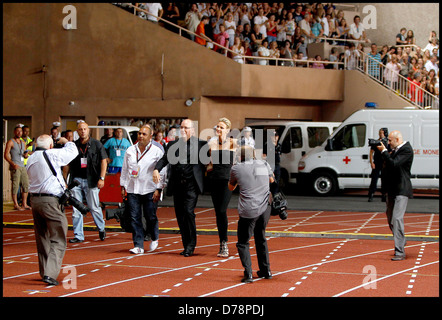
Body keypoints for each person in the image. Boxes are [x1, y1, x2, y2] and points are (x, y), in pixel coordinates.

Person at [153, 119, 210, 257]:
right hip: (177, 185)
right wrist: (156, 169)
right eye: (182, 127)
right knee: (180, 216)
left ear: (193, 130)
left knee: (188, 212)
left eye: (186, 127)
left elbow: (211, 159)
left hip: (192, 185)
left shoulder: (202, 145)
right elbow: (164, 159)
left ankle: (191, 245)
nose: (183, 130)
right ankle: (186, 244)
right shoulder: (173, 144)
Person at [26, 134, 78, 286]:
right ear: (50, 146)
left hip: (35, 200)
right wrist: (66, 142)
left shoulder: (31, 158)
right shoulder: (52, 154)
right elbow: (72, 153)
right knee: (58, 237)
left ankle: (44, 271)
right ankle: (50, 274)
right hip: (50, 201)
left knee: (42, 238)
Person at [228, 145, 274, 283]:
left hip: (248, 210)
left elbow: (231, 187)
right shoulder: (264, 164)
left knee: (243, 242)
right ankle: (266, 271)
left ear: (240, 156)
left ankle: (248, 273)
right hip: (265, 207)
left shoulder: (236, 168)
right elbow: (272, 180)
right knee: (261, 238)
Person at [121, 125, 167, 254]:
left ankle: (154, 237)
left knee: (150, 216)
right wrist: (122, 185)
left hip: (150, 188)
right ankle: (138, 245)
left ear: (150, 135)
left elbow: (163, 172)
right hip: (132, 188)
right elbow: (124, 169)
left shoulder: (157, 151)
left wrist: (159, 189)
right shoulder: (130, 150)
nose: (141, 136)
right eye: (139, 133)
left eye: (144, 134)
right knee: (135, 217)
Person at [67, 121, 108, 243]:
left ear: (88, 130)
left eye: (84, 129)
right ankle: (78, 235)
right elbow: (67, 164)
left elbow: (103, 161)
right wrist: (65, 181)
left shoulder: (96, 144)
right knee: (76, 209)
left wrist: (102, 178)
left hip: (92, 179)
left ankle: (101, 228)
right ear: (77, 131)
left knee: (94, 207)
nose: (83, 131)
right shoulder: (73, 146)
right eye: (80, 129)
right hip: (76, 180)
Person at [377, 130, 413, 261]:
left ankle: (400, 251)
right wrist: (384, 152)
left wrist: (384, 151)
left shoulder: (407, 150)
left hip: (402, 189)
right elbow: (386, 166)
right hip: (391, 190)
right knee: (391, 219)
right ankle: (401, 240)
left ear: (397, 140)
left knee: (397, 218)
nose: (388, 142)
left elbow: (394, 163)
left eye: (390, 140)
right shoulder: (392, 150)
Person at [207, 118, 238, 258]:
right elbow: (210, 163)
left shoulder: (233, 143)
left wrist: (237, 180)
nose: (218, 129)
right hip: (214, 180)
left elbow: (237, 162)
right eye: (217, 126)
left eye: (221, 127)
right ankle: (222, 242)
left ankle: (224, 243)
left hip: (227, 180)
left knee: (222, 210)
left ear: (227, 130)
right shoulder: (211, 143)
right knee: (218, 213)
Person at [4, 125, 30, 211]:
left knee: (25, 185)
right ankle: (15, 204)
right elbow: (6, 155)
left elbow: (24, 154)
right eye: (18, 131)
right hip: (15, 166)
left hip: (23, 166)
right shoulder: (11, 142)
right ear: (14, 132)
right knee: (15, 185)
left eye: (21, 131)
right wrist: (12, 163)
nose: (19, 133)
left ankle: (24, 204)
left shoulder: (23, 143)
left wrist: (26, 156)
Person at [368, 128, 389, 202]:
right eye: (379, 133)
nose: (380, 134)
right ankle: (371, 194)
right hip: (376, 163)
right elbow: (371, 153)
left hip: (384, 164)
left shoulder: (387, 142)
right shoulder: (376, 142)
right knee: (374, 179)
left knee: (384, 180)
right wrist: (371, 162)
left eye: (382, 133)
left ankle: (384, 195)